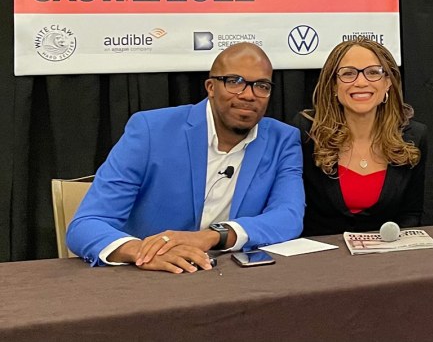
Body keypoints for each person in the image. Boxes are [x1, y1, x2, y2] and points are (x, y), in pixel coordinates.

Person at [67, 43, 304, 272]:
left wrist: (212, 237)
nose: (249, 95)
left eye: (261, 86)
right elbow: (86, 225)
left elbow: (288, 217)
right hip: (150, 278)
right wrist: (144, 252)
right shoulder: (151, 130)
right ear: (210, 87)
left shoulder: (282, 139)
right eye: (235, 82)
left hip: (234, 281)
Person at [293, 39, 426, 236]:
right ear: (333, 85)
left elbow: (410, 214)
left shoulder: (413, 136)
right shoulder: (307, 131)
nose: (361, 82)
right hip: (320, 258)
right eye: (348, 73)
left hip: (386, 259)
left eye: (373, 72)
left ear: (388, 82)